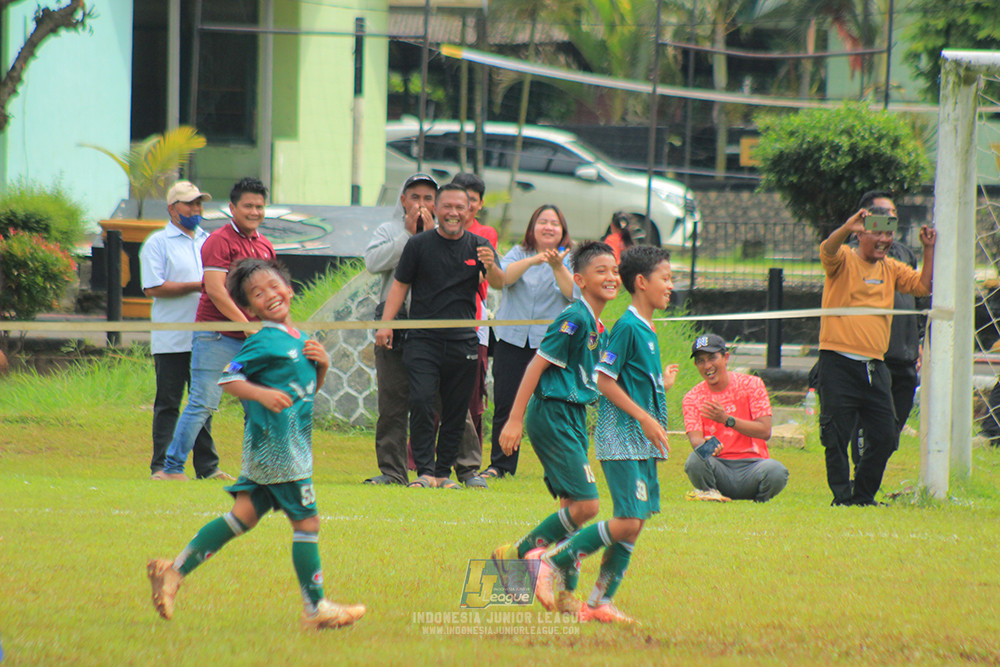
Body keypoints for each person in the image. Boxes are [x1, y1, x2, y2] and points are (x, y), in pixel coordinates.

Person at [146, 258, 366, 630]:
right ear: (248, 309)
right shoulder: (264, 339)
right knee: (307, 523)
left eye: (273, 286)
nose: (269, 295)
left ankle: (174, 571)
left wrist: (323, 366)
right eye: (256, 294)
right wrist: (260, 395)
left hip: (282, 447)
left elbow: (305, 393)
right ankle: (316, 609)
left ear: (290, 288)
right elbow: (228, 380)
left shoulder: (298, 340)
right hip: (280, 452)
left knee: (243, 517)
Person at [539, 245, 676, 624]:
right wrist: (645, 419)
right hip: (621, 439)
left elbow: (634, 382)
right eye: (666, 278)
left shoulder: (646, 330)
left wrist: (659, 391)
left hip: (642, 443)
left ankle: (599, 602)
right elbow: (604, 379)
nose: (670, 286)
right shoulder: (629, 327)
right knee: (628, 520)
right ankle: (552, 561)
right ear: (642, 282)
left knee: (637, 523)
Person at [491, 241, 619, 615]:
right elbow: (536, 366)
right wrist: (514, 420)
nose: (611, 277)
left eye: (614, 271)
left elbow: (603, 379)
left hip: (574, 416)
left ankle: (566, 595)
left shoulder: (599, 327)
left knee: (570, 505)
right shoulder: (574, 318)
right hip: (552, 413)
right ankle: (522, 554)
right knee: (588, 504)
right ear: (578, 280)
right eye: (601, 271)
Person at [375, 183, 504, 489]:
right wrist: (386, 324)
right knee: (421, 402)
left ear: (470, 210)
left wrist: (491, 265)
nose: (454, 213)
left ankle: (444, 474)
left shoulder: (479, 245)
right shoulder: (418, 245)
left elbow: (500, 282)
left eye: (461, 207)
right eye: (447, 206)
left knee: (457, 409)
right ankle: (425, 472)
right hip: (422, 339)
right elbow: (399, 286)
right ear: (437, 208)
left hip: (463, 342)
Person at [817, 192, 936, 506]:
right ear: (861, 232)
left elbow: (922, 287)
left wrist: (928, 249)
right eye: (878, 232)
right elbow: (827, 249)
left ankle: (863, 495)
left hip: (874, 366)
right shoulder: (843, 258)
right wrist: (847, 226)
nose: (884, 240)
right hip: (837, 362)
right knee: (836, 436)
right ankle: (842, 497)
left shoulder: (892, 268)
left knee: (885, 436)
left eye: (889, 233)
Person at [161, 177, 276, 481]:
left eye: (260, 206)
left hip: (254, 341)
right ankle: (171, 469)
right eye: (248, 206)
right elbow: (214, 289)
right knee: (202, 402)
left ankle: (257, 472)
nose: (255, 212)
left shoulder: (265, 246)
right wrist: (244, 325)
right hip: (217, 336)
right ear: (232, 208)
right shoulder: (220, 241)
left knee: (258, 407)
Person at [481, 204, 574, 479]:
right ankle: (501, 465)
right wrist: (534, 260)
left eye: (554, 223)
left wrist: (557, 265)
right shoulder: (518, 253)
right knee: (506, 406)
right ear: (532, 228)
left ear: (562, 230)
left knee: (554, 408)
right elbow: (503, 279)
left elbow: (574, 293)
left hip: (551, 345)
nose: (548, 227)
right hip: (512, 342)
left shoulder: (571, 258)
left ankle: (560, 469)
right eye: (542, 222)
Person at [141, 181, 221, 480]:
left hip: (206, 336)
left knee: (202, 404)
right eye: (190, 204)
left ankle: (207, 468)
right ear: (172, 208)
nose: (196, 209)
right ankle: (160, 466)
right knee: (169, 404)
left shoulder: (208, 240)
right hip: (171, 337)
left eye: (199, 203)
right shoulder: (157, 242)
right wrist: (200, 286)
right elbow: (153, 287)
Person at [362, 173, 438, 486]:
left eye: (428, 198)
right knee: (392, 399)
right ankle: (392, 471)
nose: (421, 204)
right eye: (415, 197)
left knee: (442, 399)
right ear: (403, 200)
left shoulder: (446, 231)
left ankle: (453, 468)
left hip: (433, 322)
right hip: (393, 318)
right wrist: (408, 235)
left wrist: (431, 235)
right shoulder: (388, 229)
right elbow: (373, 262)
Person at [847, 191, 924, 466]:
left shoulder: (904, 255)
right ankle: (860, 480)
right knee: (868, 424)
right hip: (873, 355)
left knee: (891, 432)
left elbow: (918, 296)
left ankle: (869, 476)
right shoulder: (853, 256)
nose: (890, 220)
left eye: (893, 216)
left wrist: (920, 340)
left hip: (904, 355)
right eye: (883, 215)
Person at [682, 334, 788, 503]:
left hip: (753, 466)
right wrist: (708, 446)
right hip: (718, 467)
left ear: (726, 358)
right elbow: (696, 441)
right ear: (696, 365)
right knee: (695, 460)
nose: (707, 365)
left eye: (712, 358)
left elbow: (765, 431)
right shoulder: (692, 397)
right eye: (701, 361)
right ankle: (711, 494)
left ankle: (759, 501)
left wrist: (727, 419)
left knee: (776, 471)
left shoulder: (752, 385)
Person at [451, 173, 498, 489]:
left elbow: (484, 275)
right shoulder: (439, 231)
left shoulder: (484, 234)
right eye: (458, 199)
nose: (463, 207)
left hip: (473, 325)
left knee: (472, 397)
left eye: (471, 200)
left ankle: (471, 462)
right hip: (437, 325)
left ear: (479, 204)